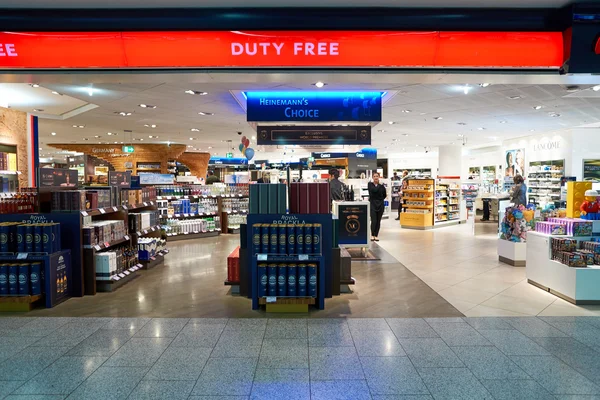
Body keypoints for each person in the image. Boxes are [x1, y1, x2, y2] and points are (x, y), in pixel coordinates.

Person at [368, 172, 386, 241]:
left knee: (378, 221)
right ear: (373, 177)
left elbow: (384, 195)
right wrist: (379, 185)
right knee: (374, 220)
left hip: (380, 205)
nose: (376, 177)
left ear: (379, 177)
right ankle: (372, 234)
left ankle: (376, 235)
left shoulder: (382, 186)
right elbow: (374, 190)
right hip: (373, 204)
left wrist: (379, 185)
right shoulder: (370, 185)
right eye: (374, 176)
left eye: (377, 176)